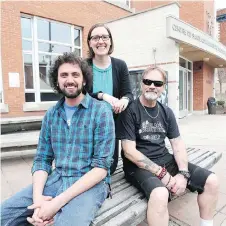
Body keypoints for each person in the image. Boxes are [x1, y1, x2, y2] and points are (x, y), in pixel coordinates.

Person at [1, 53, 115, 226]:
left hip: (90, 184)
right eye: (64, 75)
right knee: (4, 215)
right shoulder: (51, 115)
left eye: (75, 75)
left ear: (84, 80)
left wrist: (55, 204)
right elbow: (42, 159)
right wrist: (38, 199)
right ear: (57, 81)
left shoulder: (101, 112)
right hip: (57, 179)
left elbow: (100, 169)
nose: (70, 80)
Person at [117, 66, 219, 226]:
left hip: (165, 160)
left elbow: (177, 144)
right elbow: (129, 151)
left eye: (157, 83)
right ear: (141, 84)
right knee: (160, 194)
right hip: (137, 167)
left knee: (211, 181)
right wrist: (163, 174)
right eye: (148, 81)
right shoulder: (130, 110)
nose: (152, 86)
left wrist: (183, 174)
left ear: (163, 87)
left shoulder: (167, 112)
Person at [86, 23, 133, 174]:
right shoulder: (83, 66)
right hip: (87, 124)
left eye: (105, 37)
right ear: (90, 42)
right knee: (88, 166)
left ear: (110, 41)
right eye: (96, 38)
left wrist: (124, 100)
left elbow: (129, 93)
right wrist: (102, 95)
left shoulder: (120, 65)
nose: (101, 41)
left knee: (110, 169)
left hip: (111, 126)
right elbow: (80, 95)